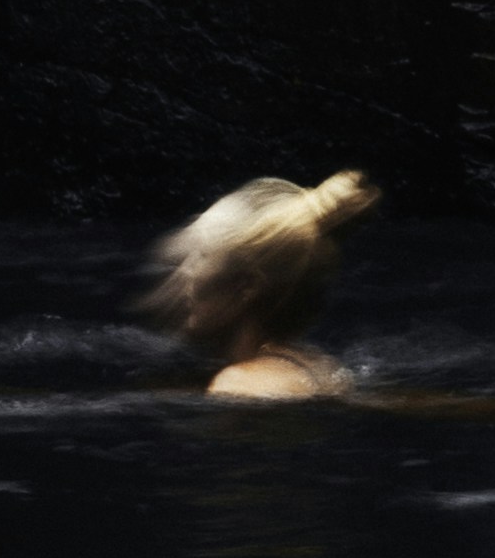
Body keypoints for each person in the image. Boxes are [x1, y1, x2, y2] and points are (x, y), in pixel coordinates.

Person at [146, 171, 379, 399]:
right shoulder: (325, 369)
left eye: (201, 256)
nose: (186, 270)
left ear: (245, 285)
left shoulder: (239, 385)